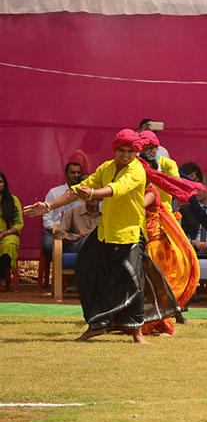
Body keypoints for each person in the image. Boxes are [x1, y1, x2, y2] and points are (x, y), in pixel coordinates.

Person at [23, 129, 179, 344]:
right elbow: (77, 190)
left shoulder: (136, 170)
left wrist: (92, 194)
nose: (126, 155)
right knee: (87, 270)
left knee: (133, 283)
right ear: (115, 150)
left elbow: (116, 189)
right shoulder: (107, 167)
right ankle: (97, 325)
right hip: (105, 233)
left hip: (129, 236)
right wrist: (48, 206)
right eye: (121, 150)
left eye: (130, 151)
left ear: (136, 152)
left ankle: (137, 333)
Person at [140, 183, 200, 335]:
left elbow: (139, 205)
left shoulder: (151, 192)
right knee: (152, 285)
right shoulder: (145, 191)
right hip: (148, 243)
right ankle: (156, 323)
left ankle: (166, 325)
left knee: (158, 285)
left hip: (155, 246)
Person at [41, 162, 83, 260]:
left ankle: (71, 265)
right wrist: (58, 232)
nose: (76, 175)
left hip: (78, 232)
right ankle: (60, 266)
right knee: (49, 246)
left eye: (78, 173)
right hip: (54, 231)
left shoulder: (86, 194)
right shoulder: (54, 192)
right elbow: (47, 218)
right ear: (66, 174)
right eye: (73, 172)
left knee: (87, 245)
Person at [139, 130, 180, 212]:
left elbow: (176, 183)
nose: (148, 151)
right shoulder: (134, 164)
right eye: (144, 148)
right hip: (139, 211)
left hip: (163, 211)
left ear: (157, 148)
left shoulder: (168, 164)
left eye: (151, 148)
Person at [179, 174, 207, 255]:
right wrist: (193, 242)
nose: (196, 191)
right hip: (192, 251)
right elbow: (180, 234)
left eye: (199, 188)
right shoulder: (186, 208)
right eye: (195, 188)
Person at [0, 171, 23, 281]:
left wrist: (4, 233)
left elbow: (18, 224)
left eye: (0, 182)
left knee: (9, 245)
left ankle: (2, 274)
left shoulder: (13, 200)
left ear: (4, 184)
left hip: (7, 234)